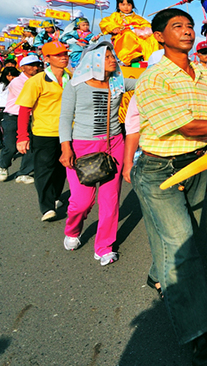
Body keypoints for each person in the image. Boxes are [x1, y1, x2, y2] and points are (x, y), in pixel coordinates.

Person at [131, 8, 207, 365]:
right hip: (159, 169)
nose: (187, 31)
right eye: (177, 26)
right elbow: (190, 126)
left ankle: (156, 274)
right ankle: (199, 334)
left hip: (196, 164)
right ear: (160, 37)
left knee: (183, 233)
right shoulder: (153, 78)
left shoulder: (200, 72)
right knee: (182, 248)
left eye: (190, 26)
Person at [59, 41, 136, 266]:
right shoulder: (76, 85)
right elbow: (65, 118)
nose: (114, 59)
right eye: (107, 56)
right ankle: (73, 230)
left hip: (114, 145)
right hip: (82, 147)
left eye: (113, 56)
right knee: (82, 202)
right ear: (94, 60)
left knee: (110, 200)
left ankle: (104, 246)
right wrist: (66, 147)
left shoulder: (119, 82)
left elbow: (148, 81)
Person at [16, 41, 70, 222]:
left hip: (69, 132)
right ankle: (47, 207)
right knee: (44, 169)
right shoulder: (36, 81)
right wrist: (22, 136)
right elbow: (24, 110)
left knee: (62, 168)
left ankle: (54, 196)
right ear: (46, 59)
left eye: (65, 53)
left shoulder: (72, 77)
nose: (63, 57)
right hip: (44, 132)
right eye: (58, 55)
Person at [2, 54, 41, 184]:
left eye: (37, 65)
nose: (35, 68)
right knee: (12, 146)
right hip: (13, 117)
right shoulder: (17, 82)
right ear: (22, 68)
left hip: (32, 117)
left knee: (30, 145)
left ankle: (24, 173)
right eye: (31, 65)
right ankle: (3, 165)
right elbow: (31, 100)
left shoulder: (40, 79)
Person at [98, 0, 159, 65]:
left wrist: (144, 28)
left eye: (129, 5)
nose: (126, 7)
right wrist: (113, 28)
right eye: (123, 5)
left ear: (132, 6)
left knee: (152, 38)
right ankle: (132, 57)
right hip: (123, 36)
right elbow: (105, 23)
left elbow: (147, 24)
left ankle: (151, 59)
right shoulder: (115, 16)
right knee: (128, 34)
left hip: (139, 37)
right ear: (118, 6)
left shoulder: (137, 17)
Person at [0, 66, 20, 180]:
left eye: (13, 75)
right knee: (7, 133)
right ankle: (5, 159)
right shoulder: (0, 85)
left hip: (20, 110)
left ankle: (24, 171)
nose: (11, 77)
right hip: (4, 110)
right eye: (8, 75)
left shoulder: (21, 83)